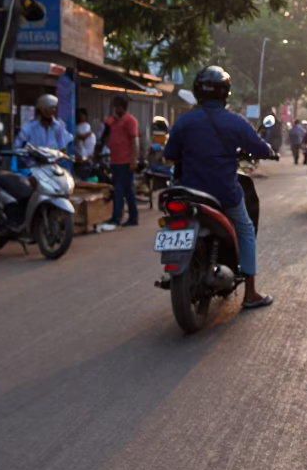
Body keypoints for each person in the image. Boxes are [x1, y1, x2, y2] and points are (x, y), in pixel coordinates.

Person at [162, 66, 275, 308]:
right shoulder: (234, 121)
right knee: (245, 229)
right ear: (225, 93)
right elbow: (260, 147)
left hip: (188, 193)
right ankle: (251, 293)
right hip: (224, 193)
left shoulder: (184, 121)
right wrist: (270, 152)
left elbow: (170, 153)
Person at [104, 95, 141, 227]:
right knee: (121, 189)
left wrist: (134, 159)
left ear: (121, 107)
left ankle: (122, 216)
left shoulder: (130, 121)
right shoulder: (113, 121)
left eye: (116, 106)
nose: (114, 109)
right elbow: (107, 134)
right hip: (115, 160)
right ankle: (124, 216)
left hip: (125, 161)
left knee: (124, 190)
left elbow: (135, 141)